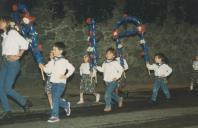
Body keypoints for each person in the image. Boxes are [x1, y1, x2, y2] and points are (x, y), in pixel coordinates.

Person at [0, 16, 32, 119]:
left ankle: (24, 102)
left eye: (1, 21)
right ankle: (7, 111)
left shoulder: (13, 33)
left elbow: (25, 44)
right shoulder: (4, 35)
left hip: (13, 64)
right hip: (5, 63)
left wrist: (18, 55)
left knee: (7, 88)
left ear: (7, 22)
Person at [39, 42, 75, 123]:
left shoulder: (64, 61)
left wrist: (66, 76)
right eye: (53, 49)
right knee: (56, 99)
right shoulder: (52, 61)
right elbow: (48, 71)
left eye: (55, 49)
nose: (53, 51)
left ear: (60, 51)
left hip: (61, 83)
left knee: (55, 99)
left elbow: (72, 68)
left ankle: (55, 116)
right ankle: (66, 105)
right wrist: (43, 67)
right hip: (53, 83)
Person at [96, 47, 124, 112]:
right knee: (110, 93)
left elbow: (121, 70)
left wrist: (117, 77)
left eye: (110, 53)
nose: (108, 54)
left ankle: (108, 106)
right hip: (106, 81)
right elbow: (102, 70)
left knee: (107, 94)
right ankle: (119, 99)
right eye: (107, 53)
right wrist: (96, 67)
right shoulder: (105, 63)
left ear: (113, 55)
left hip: (113, 81)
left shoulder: (115, 63)